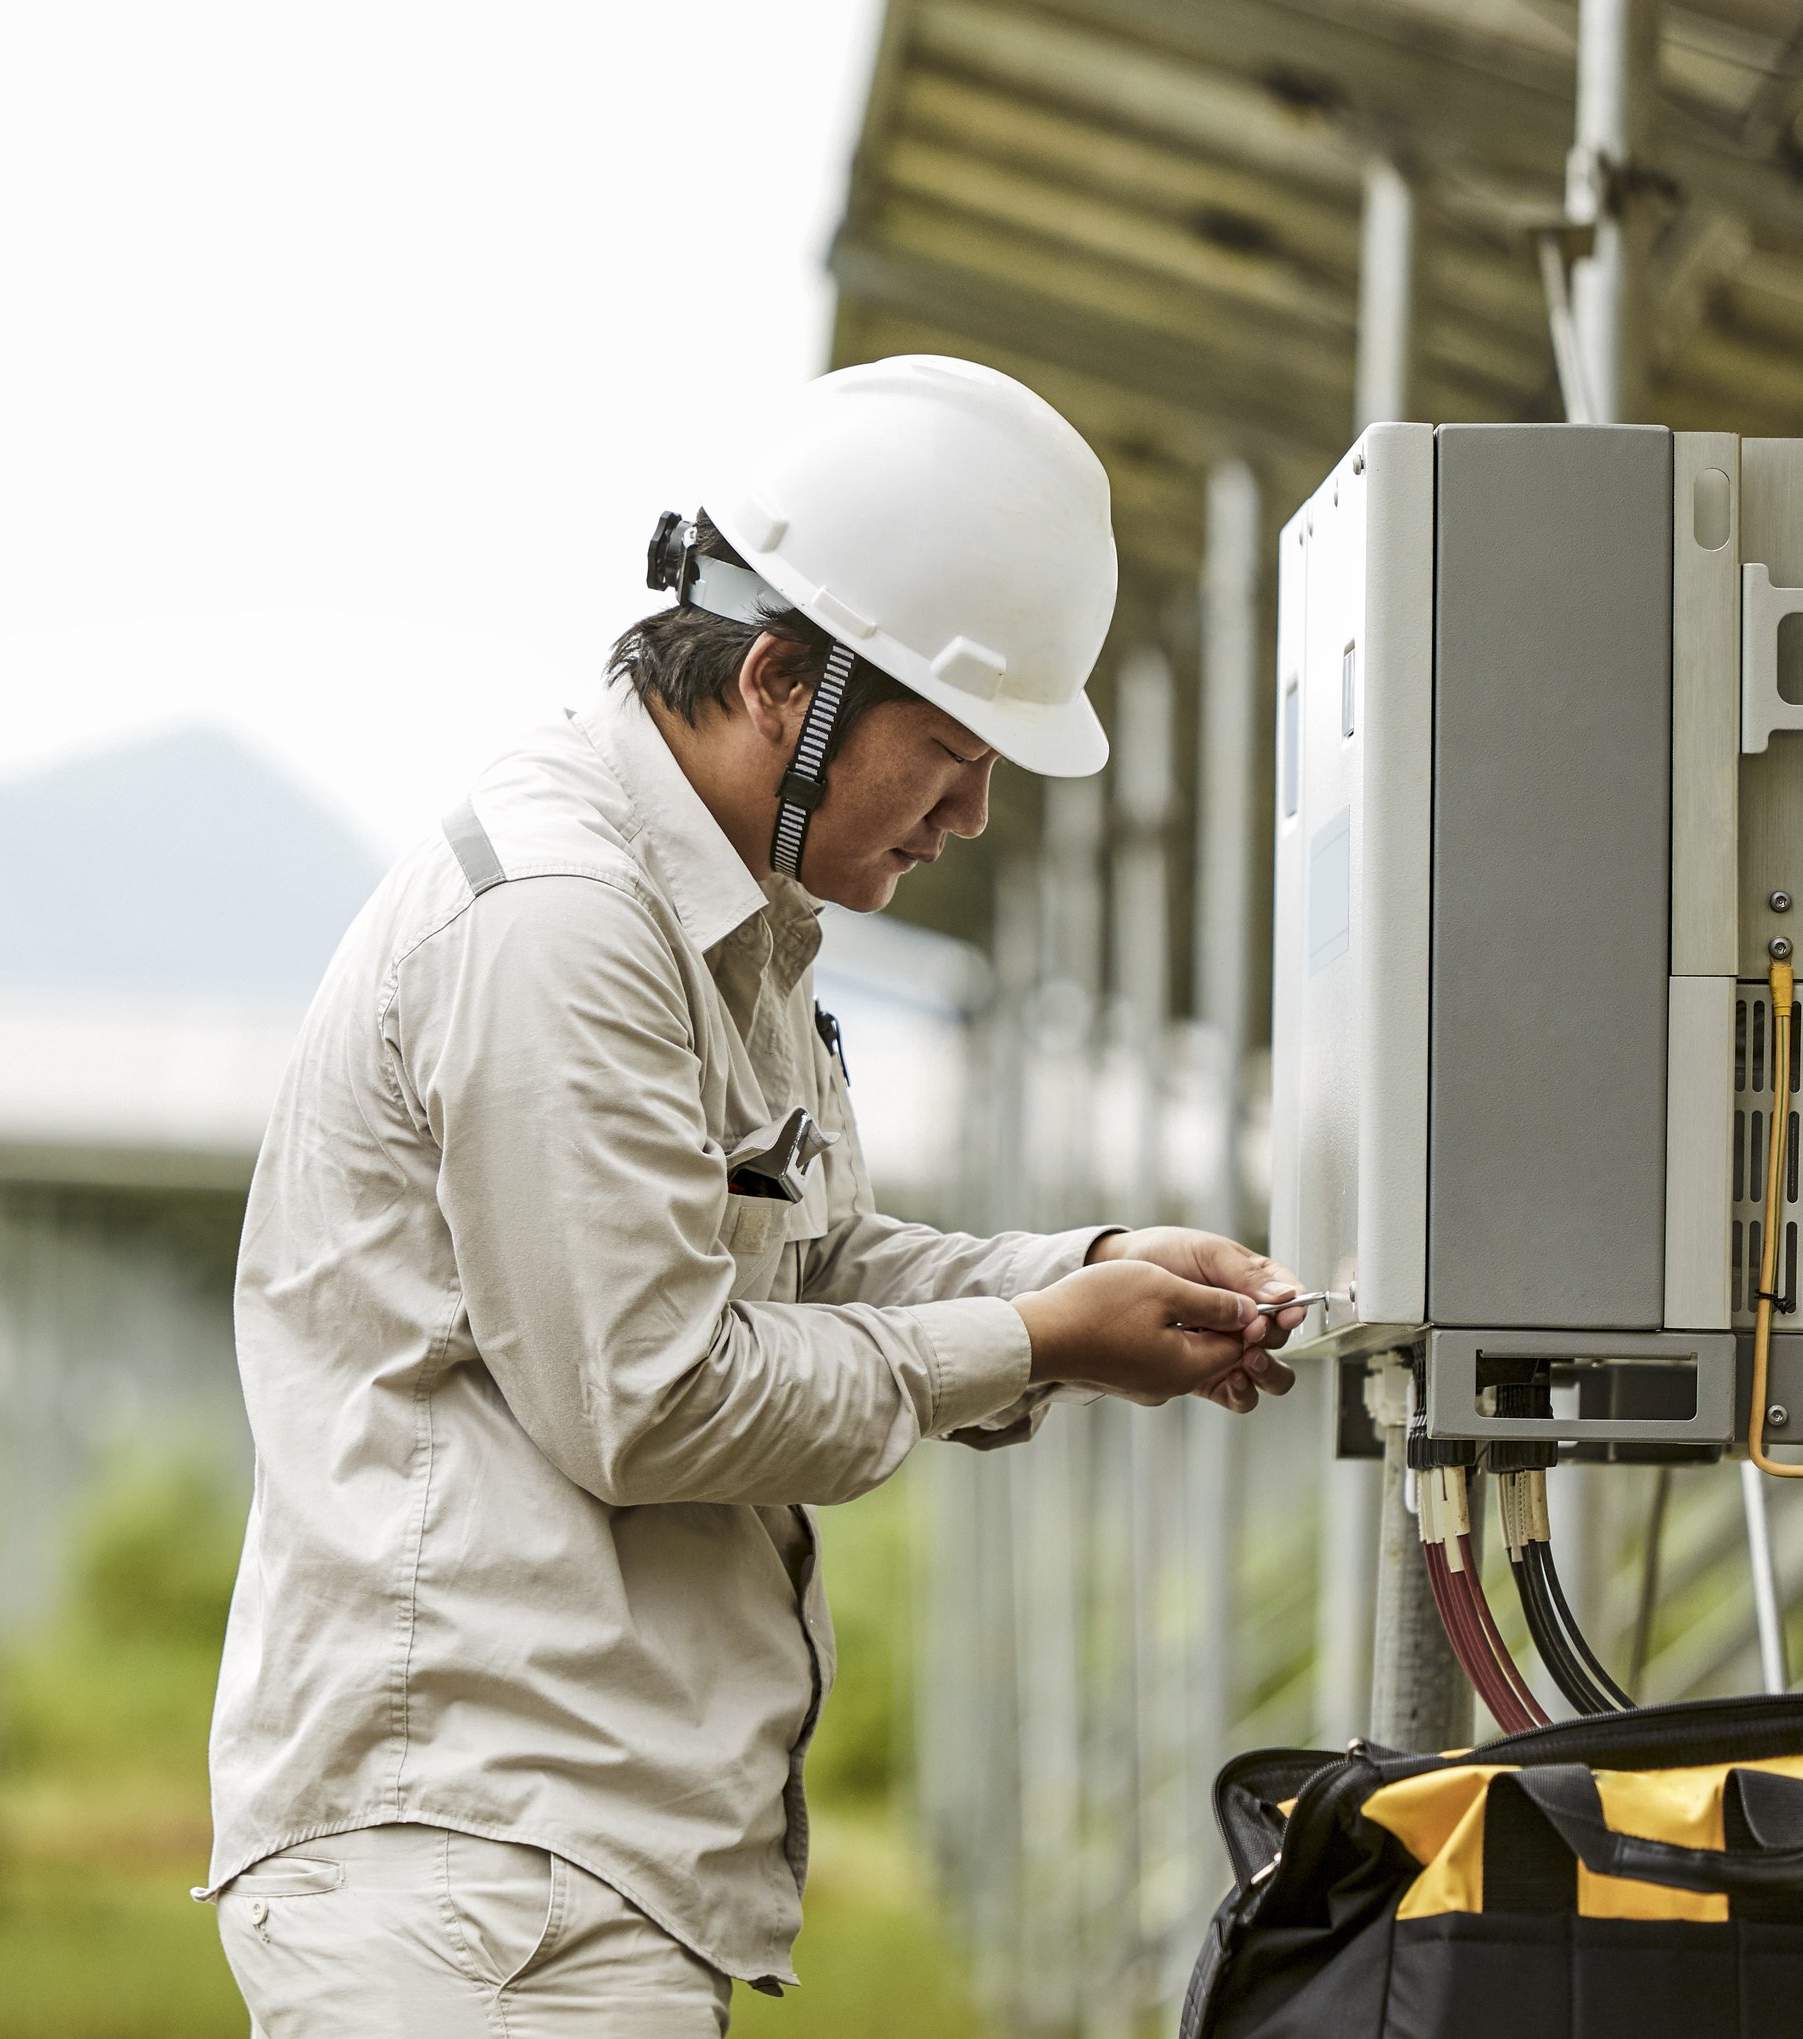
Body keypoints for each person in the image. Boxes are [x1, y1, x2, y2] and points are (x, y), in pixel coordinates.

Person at [200, 356, 1303, 2036]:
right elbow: (653, 1395)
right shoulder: (565, 925)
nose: (973, 816)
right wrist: (1026, 1339)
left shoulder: (730, 917)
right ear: (784, 681)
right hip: (478, 1887)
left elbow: (801, 1264)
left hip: (553, 1869)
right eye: (948, 752)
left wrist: (1080, 1283)